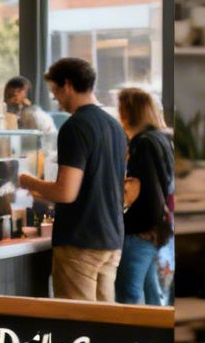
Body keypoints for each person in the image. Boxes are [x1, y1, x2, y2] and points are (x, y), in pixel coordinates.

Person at [20, 58, 127, 302]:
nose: (56, 99)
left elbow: (66, 192)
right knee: (105, 326)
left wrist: (28, 182)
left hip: (81, 240)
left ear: (67, 85)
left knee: (77, 327)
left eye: (55, 91)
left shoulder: (75, 127)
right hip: (111, 239)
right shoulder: (115, 126)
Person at [115, 88, 175, 306]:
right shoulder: (161, 138)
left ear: (127, 112)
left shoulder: (143, 143)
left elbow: (146, 191)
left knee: (127, 296)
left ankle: (130, 340)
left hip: (141, 232)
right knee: (152, 296)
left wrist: (126, 224)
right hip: (158, 229)